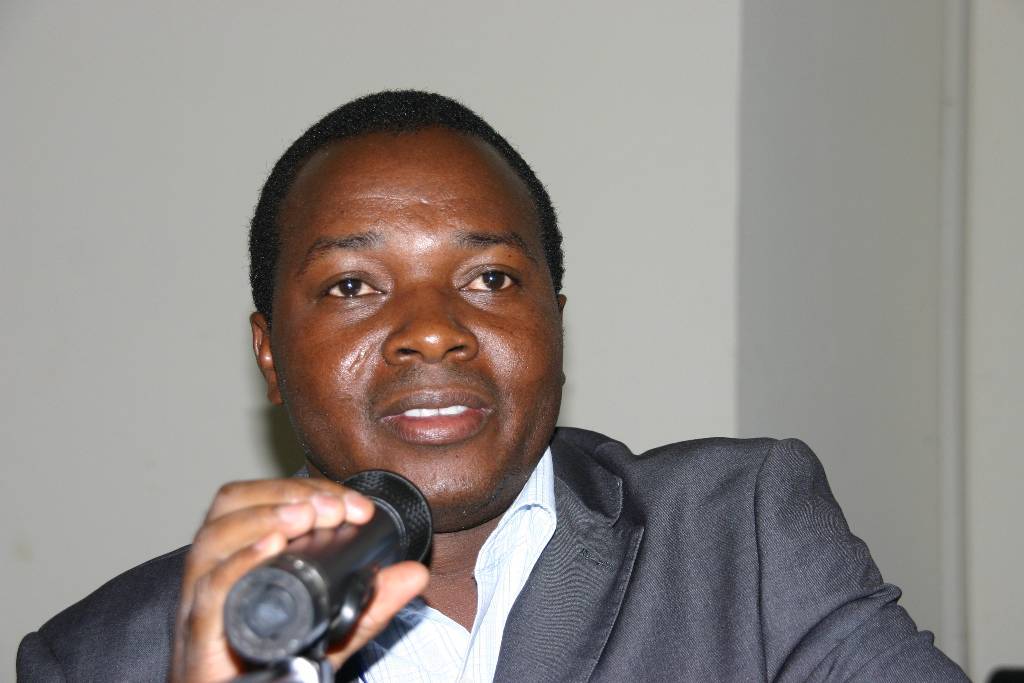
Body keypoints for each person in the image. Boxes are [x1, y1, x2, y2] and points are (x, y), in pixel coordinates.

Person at [16, 91, 967, 682]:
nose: (432, 328)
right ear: (270, 352)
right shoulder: (97, 657)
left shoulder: (741, 537)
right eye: (351, 286)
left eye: (490, 278)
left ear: (555, 320)